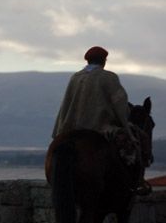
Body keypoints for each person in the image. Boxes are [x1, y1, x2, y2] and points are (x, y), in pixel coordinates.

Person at [52, 46, 150, 194]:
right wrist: (124, 120)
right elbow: (119, 103)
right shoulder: (109, 77)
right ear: (104, 61)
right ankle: (136, 183)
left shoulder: (75, 77)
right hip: (99, 127)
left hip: (71, 128)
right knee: (132, 144)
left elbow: (66, 105)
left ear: (88, 60)